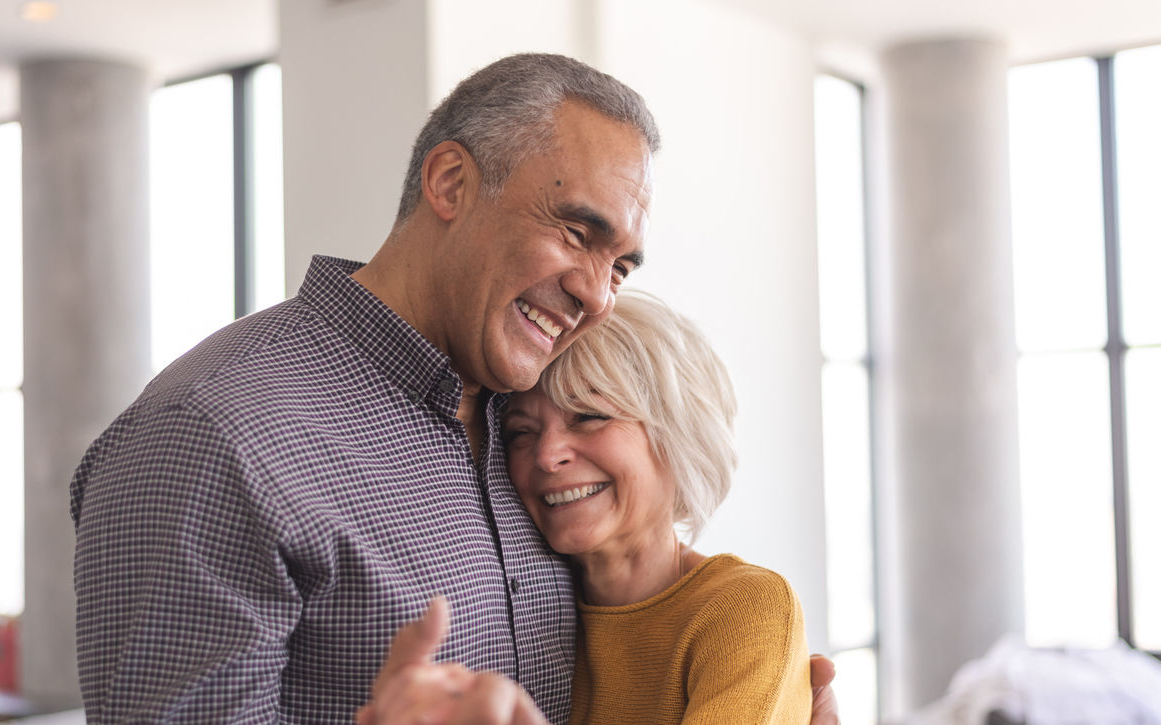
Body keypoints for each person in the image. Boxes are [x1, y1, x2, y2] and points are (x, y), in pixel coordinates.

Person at [70, 53, 838, 724]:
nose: (597, 295)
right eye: (577, 233)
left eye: (621, 266)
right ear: (449, 182)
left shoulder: (519, 408)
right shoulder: (209, 433)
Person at [503, 290, 810, 723]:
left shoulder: (744, 607)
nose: (547, 456)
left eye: (588, 415)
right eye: (521, 432)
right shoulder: (520, 610)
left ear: (679, 434)